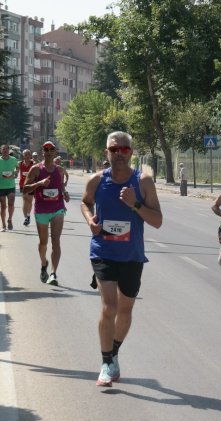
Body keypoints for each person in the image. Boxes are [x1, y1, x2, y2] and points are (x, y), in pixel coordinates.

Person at [80, 131, 163, 387]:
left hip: (132, 255)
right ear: (106, 152)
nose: (118, 154)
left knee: (125, 310)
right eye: (114, 149)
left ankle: (114, 352)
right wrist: (90, 219)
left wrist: (135, 204)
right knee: (109, 306)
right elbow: (85, 203)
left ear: (131, 152)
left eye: (124, 149)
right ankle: (105, 363)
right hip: (103, 251)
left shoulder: (144, 182)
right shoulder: (96, 181)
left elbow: (157, 221)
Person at [23, 142, 70, 286]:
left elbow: (60, 186)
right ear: (42, 152)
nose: (49, 152)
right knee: (43, 243)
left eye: (51, 149)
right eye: (46, 149)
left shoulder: (60, 170)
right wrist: (40, 183)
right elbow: (25, 189)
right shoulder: (35, 169)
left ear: (56, 152)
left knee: (56, 240)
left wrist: (65, 193)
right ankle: (44, 264)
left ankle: (53, 273)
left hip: (57, 209)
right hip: (41, 210)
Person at [0, 144, 19, 231]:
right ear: (1, 150)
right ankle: (3, 225)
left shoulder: (13, 159)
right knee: (3, 206)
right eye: (3, 149)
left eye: (7, 149)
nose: (5, 151)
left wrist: (16, 172)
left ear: (9, 150)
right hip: (1, 186)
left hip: (11, 185)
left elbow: (17, 167)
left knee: (11, 203)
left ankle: (10, 219)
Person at [19, 149, 35, 226]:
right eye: (25, 154)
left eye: (28, 154)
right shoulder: (20, 163)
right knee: (25, 201)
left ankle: (28, 215)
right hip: (23, 185)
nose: (27, 156)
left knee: (29, 201)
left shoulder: (33, 164)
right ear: (23, 155)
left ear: (30, 155)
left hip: (31, 185)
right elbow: (16, 171)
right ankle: (26, 217)